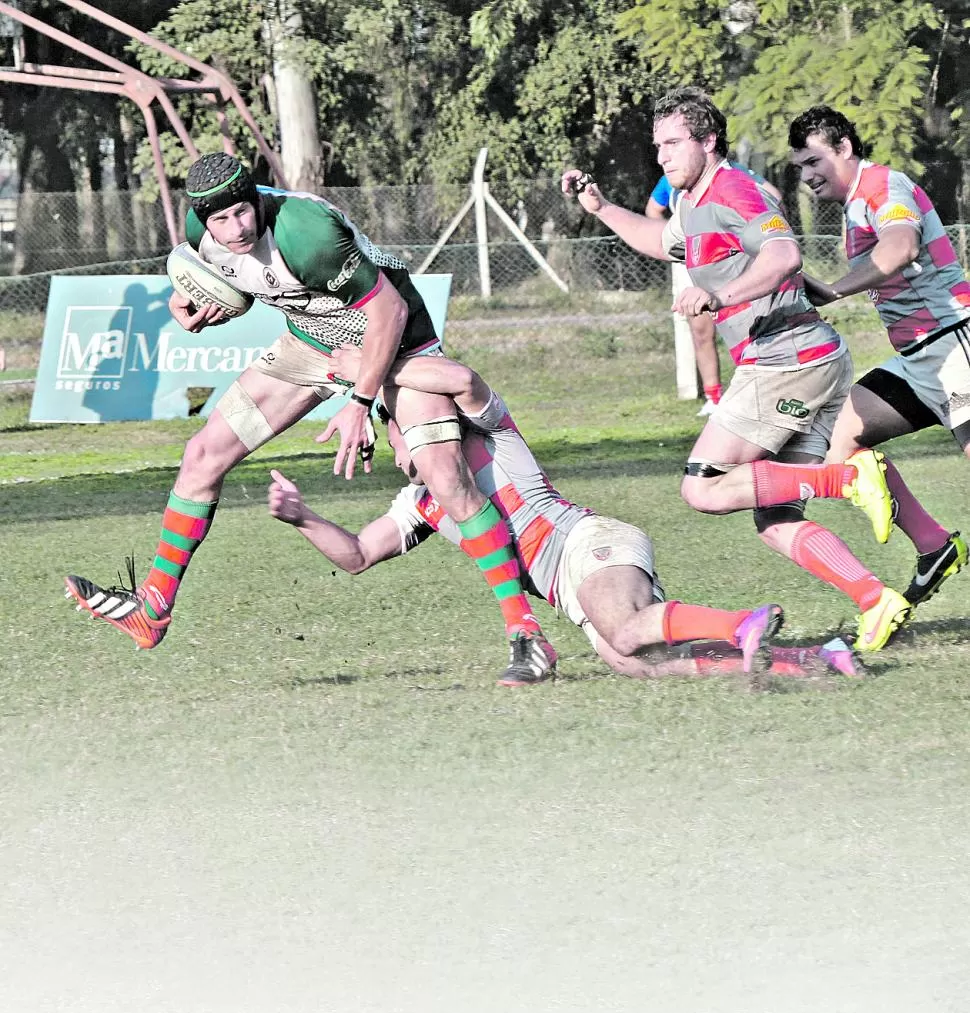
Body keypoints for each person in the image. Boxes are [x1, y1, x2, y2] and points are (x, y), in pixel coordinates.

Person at [63, 152, 557, 686]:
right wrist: (200, 306)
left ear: (256, 197)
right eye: (221, 220)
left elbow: (386, 312)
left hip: (396, 345)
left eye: (243, 212)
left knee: (444, 478)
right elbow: (252, 284)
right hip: (310, 343)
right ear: (203, 218)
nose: (237, 227)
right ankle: (153, 607)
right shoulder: (202, 230)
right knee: (202, 455)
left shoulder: (306, 232)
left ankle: (526, 633)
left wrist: (360, 402)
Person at [562, 86, 912, 654]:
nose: (663, 156)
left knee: (702, 488)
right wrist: (601, 208)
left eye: (674, 143)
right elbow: (658, 240)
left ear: (708, 140)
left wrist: (720, 295)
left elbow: (784, 257)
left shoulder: (737, 191)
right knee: (773, 515)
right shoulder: (695, 203)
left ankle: (848, 479)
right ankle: (877, 600)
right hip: (802, 359)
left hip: (786, 361)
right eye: (658, 146)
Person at [269, 349, 861, 679]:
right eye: (401, 438)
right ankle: (811, 661)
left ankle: (742, 622)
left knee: (628, 632)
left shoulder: (486, 431)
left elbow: (461, 378)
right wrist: (301, 516)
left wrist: (361, 371)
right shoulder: (419, 503)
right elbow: (357, 555)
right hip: (567, 591)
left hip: (588, 544)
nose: (409, 449)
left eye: (414, 432)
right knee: (646, 665)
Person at [788, 105, 969, 608]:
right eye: (799, 167)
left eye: (813, 161)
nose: (806, 176)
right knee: (842, 442)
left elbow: (901, 246)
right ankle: (935, 546)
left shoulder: (883, 187)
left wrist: (834, 290)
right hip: (917, 358)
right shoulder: (854, 204)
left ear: (844, 148)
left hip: (954, 346)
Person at [646, 165, 783, 416]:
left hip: (730, 262)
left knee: (745, 324)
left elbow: (774, 195)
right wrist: (676, 242)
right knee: (700, 329)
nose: (664, 155)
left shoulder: (735, 174)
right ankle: (714, 397)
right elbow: (652, 210)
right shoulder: (674, 177)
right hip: (694, 262)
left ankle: (755, 389)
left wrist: (764, 235)